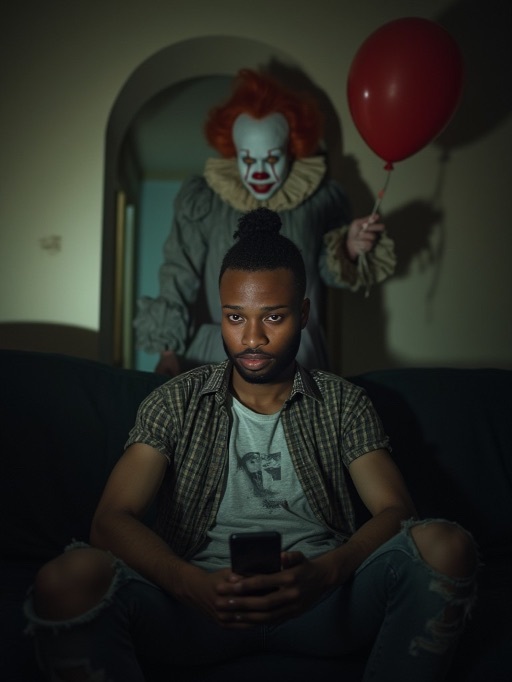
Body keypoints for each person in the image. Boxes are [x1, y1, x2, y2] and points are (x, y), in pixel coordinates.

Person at [25, 208, 477, 682]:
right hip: (197, 607)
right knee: (67, 578)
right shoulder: (176, 401)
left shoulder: (343, 402)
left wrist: (326, 573)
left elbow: (396, 510)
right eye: (235, 317)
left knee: (446, 544)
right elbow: (110, 519)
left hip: (321, 602)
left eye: (274, 317)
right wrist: (189, 583)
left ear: (303, 314)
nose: (252, 338)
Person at [133, 68, 396, 377]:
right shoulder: (205, 201)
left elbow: (326, 272)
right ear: (235, 154)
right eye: (248, 159)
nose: (259, 171)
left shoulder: (319, 200)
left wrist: (348, 248)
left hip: (296, 349)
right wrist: (168, 350)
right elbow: (179, 272)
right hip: (218, 350)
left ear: (290, 151)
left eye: (271, 159)